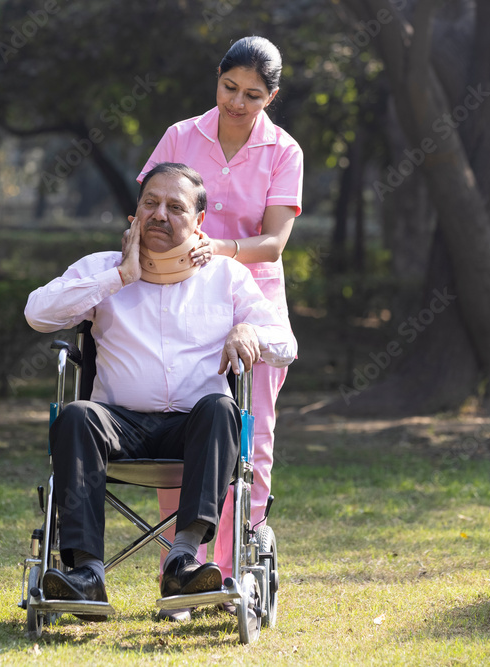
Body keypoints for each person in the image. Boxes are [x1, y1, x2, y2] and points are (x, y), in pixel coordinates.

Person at [24, 162, 296, 621]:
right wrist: (120, 277)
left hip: (196, 428)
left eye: (175, 206)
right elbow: (37, 313)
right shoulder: (101, 268)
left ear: (199, 221)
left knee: (221, 407)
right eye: (150, 202)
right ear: (135, 213)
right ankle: (87, 573)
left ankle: (182, 562)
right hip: (118, 426)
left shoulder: (225, 276)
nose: (159, 214)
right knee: (76, 414)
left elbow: (285, 345)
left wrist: (249, 330)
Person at [137, 36, 303, 601]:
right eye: (229, 87)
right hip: (183, 303)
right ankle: (183, 570)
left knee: (252, 436)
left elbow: (273, 242)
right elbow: (150, 211)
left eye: (252, 95)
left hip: (254, 308)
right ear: (217, 77)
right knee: (180, 428)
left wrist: (220, 249)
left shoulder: (284, 151)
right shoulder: (181, 136)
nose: (236, 102)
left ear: (271, 97)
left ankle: (234, 569)